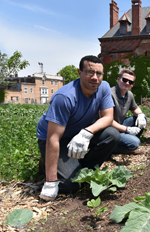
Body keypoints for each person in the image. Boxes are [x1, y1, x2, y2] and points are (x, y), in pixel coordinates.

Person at [37, 55, 120, 201]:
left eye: (99, 73)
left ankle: (84, 169)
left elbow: (108, 117)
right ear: (79, 72)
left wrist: (87, 132)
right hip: (55, 138)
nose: (95, 77)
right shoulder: (65, 97)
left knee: (112, 135)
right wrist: (50, 182)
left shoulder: (104, 87)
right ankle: (46, 164)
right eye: (90, 72)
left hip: (79, 131)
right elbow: (53, 138)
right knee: (70, 187)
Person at [110, 69, 147, 155]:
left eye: (130, 82)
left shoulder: (129, 94)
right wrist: (127, 129)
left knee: (143, 118)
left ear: (132, 85)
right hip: (109, 129)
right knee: (135, 143)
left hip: (120, 124)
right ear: (118, 79)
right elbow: (107, 120)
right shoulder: (110, 94)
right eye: (124, 80)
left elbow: (135, 108)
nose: (127, 83)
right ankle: (109, 148)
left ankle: (125, 142)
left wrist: (140, 115)